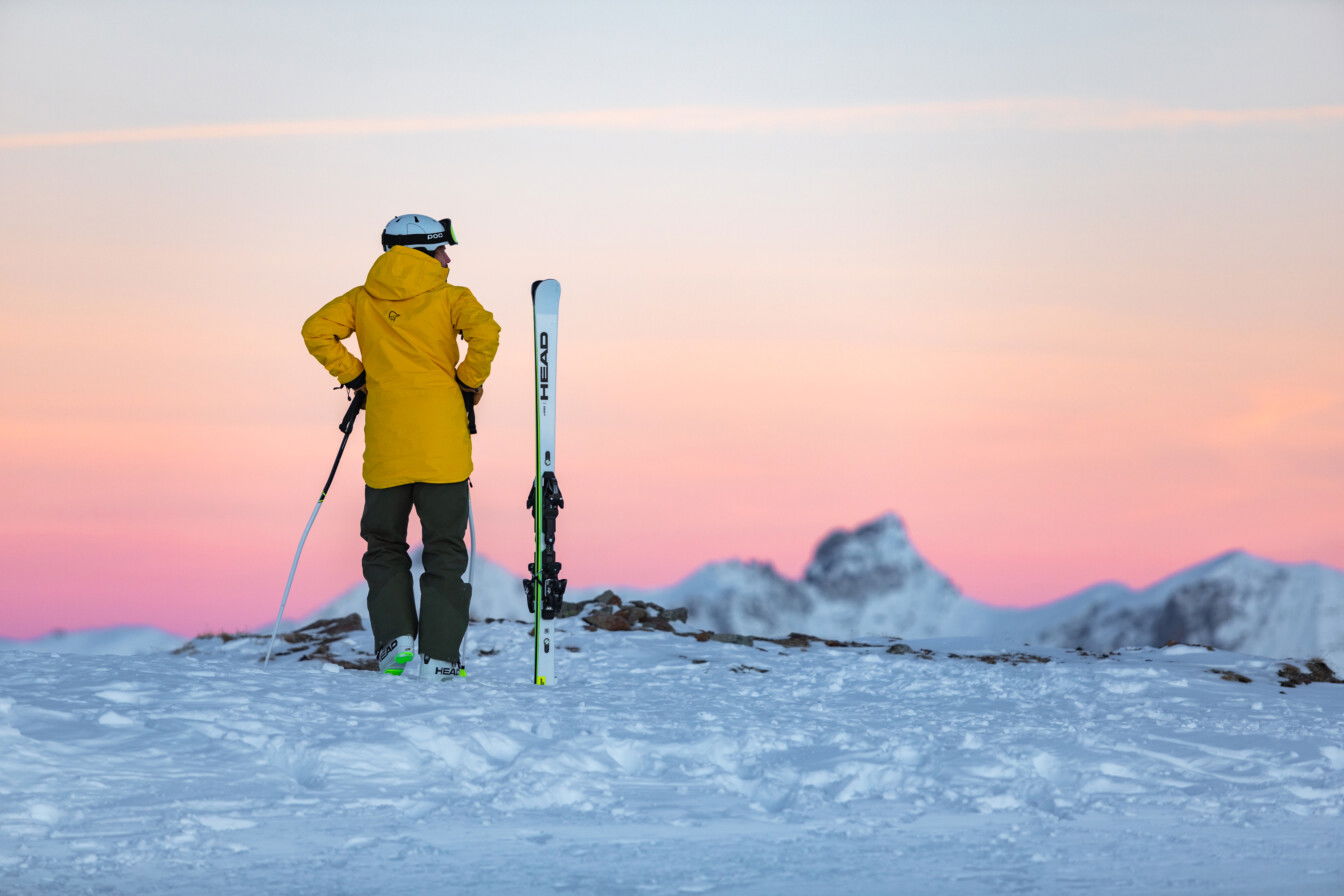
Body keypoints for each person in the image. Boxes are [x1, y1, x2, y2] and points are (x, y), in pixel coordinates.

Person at [301, 214, 500, 680]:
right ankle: (441, 657)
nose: (447, 258)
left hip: (386, 450)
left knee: (384, 545)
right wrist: (466, 384)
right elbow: (486, 335)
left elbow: (315, 330)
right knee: (445, 550)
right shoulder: (452, 298)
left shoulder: (360, 299)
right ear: (421, 251)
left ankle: (395, 640)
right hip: (444, 450)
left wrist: (356, 376)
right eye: (441, 249)